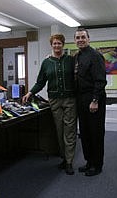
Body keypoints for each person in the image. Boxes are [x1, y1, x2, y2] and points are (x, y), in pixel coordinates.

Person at [22, 34, 77, 175]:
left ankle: (69, 162)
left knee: (69, 131)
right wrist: (30, 93)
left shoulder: (71, 60)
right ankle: (64, 158)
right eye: (54, 43)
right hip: (54, 101)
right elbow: (40, 82)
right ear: (51, 45)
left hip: (70, 99)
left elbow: (78, 77)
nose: (57, 46)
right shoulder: (46, 62)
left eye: (59, 43)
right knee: (59, 131)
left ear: (63, 45)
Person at [74, 28, 107, 176]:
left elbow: (101, 80)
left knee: (96, 133)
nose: (80, 40)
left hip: (94, 98)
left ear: (88, 39)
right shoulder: (77, 57)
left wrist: (95, 100)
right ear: (75, 41)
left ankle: (97, 165)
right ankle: (89, 162)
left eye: (83, 37)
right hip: (81, 99)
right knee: (85, 133)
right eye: (78, 38)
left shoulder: (95, 56)